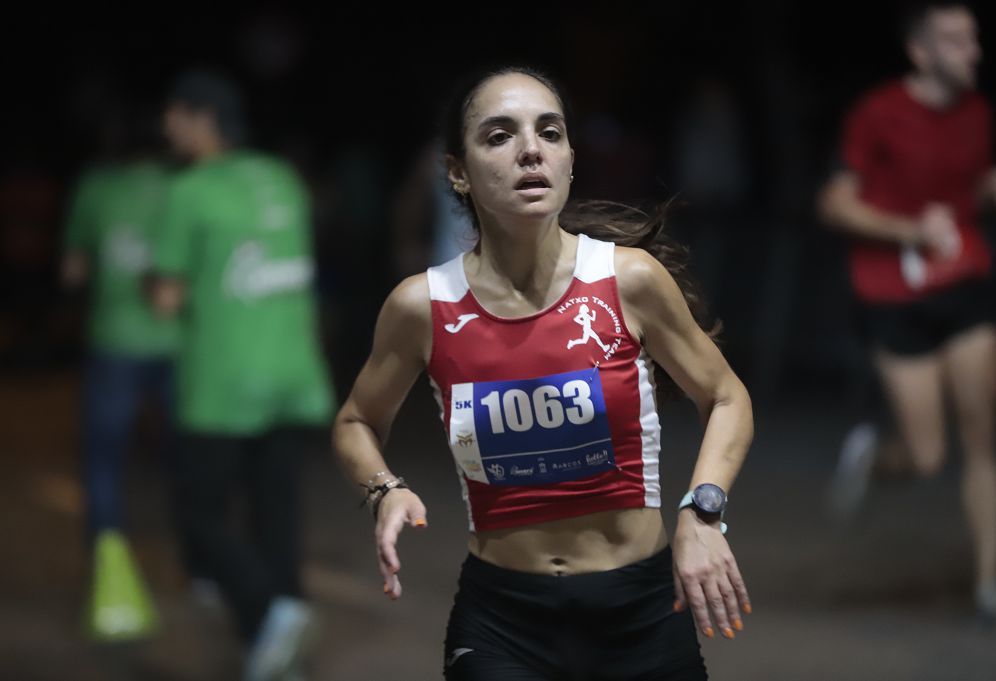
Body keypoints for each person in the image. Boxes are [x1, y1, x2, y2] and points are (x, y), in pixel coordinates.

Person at [333, 65, 754, 680]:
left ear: (570, 160)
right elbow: (355, 420)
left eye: (549, 132)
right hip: (503, 622)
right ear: (458, 170)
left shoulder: (627, 280)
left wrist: (702, 511)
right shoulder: (422, 306)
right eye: (500, 135)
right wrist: (382, 489)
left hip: (641, 612)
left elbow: (726, 397)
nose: (532, 149)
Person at [818, 2, 996, 631]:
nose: (973, 51)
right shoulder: (878, 112)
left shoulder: (979, 113)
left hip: (964, 285)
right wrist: (909, 230)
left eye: (975, 38)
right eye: (956, 40)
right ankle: (875, 458)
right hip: (892, 293)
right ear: (921, 51)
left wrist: (994, 188)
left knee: (982, 437)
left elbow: (965, 185)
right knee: (928, 456)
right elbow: (833, 203)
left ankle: (990, 583)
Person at [150, 70, 335, 680]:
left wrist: (147, 285)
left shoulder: (191, 189)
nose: (166, 127)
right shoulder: (282, 177)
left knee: (197, 516)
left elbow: (168, 298)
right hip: (293, 370)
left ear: (202, 118)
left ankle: (264, 613)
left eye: (173, 114)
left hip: (224, 378)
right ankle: (283, 636)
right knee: (275, 509)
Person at [62, 99, 177, 641]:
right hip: (176, 343)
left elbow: (73, 270)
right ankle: (200, 565)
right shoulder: (180, 186)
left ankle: (108, 563)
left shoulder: (96, 186)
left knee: (104, 458)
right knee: (185, 452)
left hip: (114, 342)